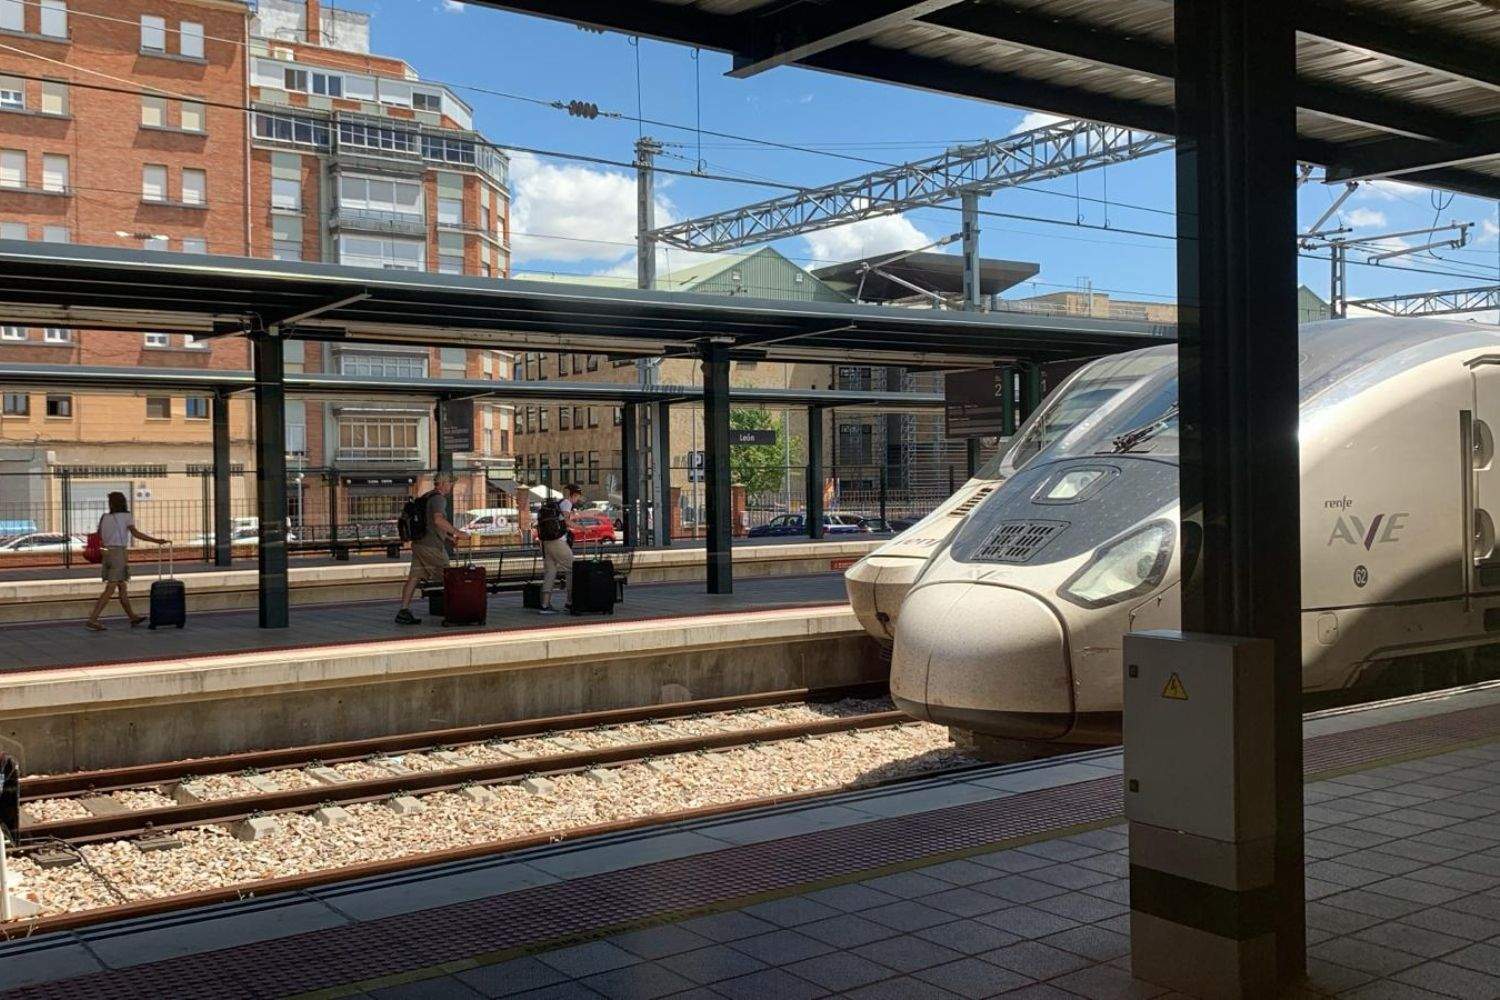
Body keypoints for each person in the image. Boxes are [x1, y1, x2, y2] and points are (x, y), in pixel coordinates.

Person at [86, 491, 169, 631]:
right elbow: (136, 534)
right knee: (110, 588)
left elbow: (100, 534)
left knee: (122, 587)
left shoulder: (104, 517)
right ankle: (92, 619)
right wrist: (156, 541)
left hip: (106, 553)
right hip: (118, 553)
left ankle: (132, 617)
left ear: (111, 503)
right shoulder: (126, 516)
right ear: (123, 502)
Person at [396, 472, 465, 625]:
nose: (451, 486)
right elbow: (438, 520)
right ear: (443, 483)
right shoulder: (439, 498)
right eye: (450, 483)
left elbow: (430, 525)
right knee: (449, 577)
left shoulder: (427, 496)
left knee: (414, 577)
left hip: (419, 543)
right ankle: (456, 613)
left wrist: (447, 537)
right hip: (431, 547)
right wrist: (457, 532)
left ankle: (403, 611)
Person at [537, 484, 581, 614]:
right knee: (572, 568)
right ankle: (570, 602)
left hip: (547, 542)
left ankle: (544, 605)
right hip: (558, 541)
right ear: (573, 495)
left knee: (550, 571)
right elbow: (567, 522)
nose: (577, 500)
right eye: (577, 497)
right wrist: (582, 529)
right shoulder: (567, 503)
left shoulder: (557, 503)